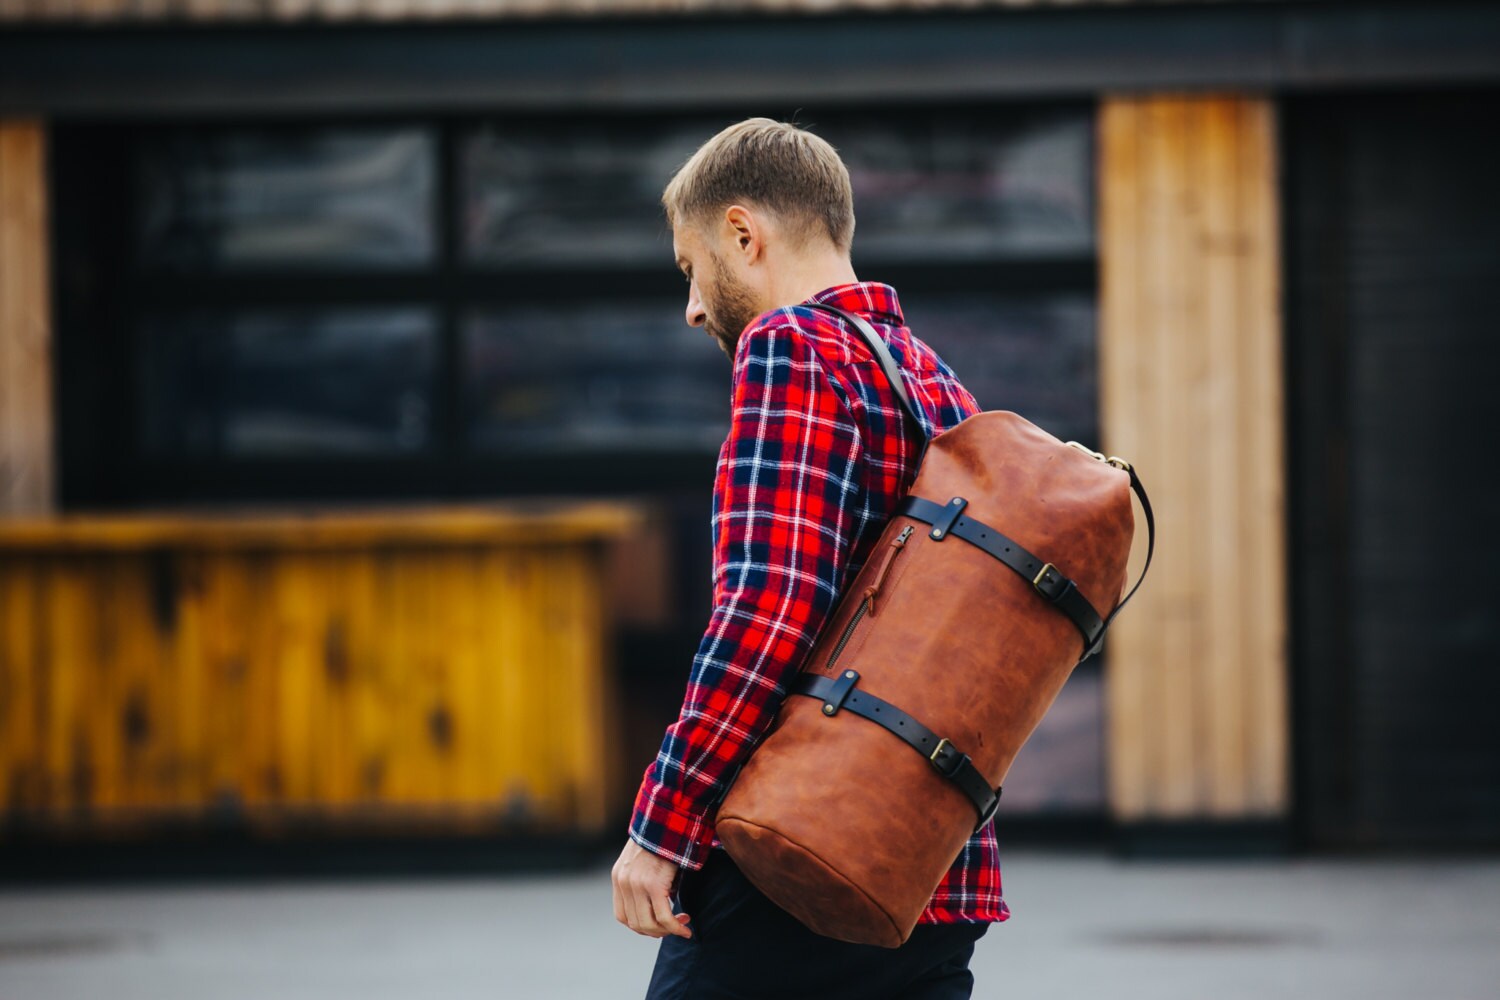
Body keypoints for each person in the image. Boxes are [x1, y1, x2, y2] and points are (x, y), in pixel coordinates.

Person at [610, 117, 1010, 1000]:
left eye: (690, 268)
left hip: (798, 861)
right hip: (936, 870)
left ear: (742, 235)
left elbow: (765, 612)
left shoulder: (793, 350)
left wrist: (662, 827)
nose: (692, 306)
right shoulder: (936, 383)